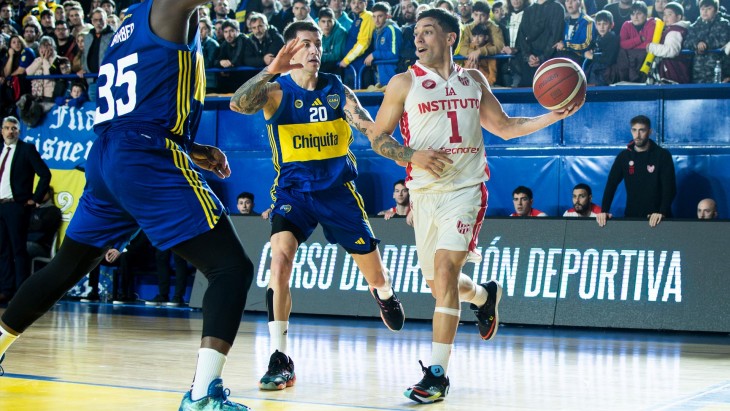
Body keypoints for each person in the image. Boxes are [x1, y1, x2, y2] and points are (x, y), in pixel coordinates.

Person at [0, 2, 256, 410]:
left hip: (109, 154)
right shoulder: (167, 8)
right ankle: (202, 395)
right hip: (143, 154)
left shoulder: (128, 23)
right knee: (231, 268)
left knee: (67, 267)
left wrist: (190, 147)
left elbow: (141, 100)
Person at [371, 9, 580, 403]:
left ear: (451, 37)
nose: (419, 39)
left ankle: (437, 375)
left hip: (466, 190)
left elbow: (505, 127)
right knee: (439, 287)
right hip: (424, 194)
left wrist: (552, 116)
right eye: (416, 33)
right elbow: (379, 140)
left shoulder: (474, 80)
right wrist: (413, 155)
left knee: (446, 273)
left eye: (428, 31)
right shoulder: (403, 83)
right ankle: (485, 296)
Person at [230, 20, 449, 392]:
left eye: (317, 43)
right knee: (279, 262)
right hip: (294, 193)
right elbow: (238, 103)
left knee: (376, 276)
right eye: (305, 44)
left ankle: (383, 294)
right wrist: (271, 70)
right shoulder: (274, 92)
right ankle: (280, 357)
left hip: (338, 194)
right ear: (290, 50)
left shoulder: (337, 90)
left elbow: (373, 133)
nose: (314, 50)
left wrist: (410, 155)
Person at [0, 116, 52, 304]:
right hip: (0, 205)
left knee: (18, 250)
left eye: (14, 128)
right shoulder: (0, 150)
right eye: (7, 128)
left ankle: (20, 293)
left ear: (19, 131)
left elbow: (45, 174)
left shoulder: (26, 149)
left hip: (16, 206)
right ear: (2, 131)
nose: (10, 131)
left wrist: (35, 199)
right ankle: (6, 289)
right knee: (2, 250)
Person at [597, 115, 676, 228]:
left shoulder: (662, 155)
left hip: (659, 219)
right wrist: (604, 211)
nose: (637, 135)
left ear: (650, 132)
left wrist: (662, 212)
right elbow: (611, 184)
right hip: (632, 217)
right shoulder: (624, 156)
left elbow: (670, 188)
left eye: (642, 130)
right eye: (634, 130)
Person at [684, 0, 730, 84]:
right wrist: (697, 44)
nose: (705, 12)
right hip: (698, 72)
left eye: (709, 9)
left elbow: (723, 41)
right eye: (702, 9)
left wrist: (705, 44)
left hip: (719, 69)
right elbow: (687, 42)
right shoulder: (694, 26)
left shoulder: (724, 24)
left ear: (716, 10)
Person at [645, 2, 690, 84]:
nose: (665, 17)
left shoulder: (674, 31)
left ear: (679, 17)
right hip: (672, 70)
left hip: (673, 72)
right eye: (664, 14)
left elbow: (671, 51)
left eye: (669, 14)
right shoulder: (673, 29)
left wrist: (651, 47)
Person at [363, 2, 401, 89]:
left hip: (392, 77)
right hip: (381, 78)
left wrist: (374, 55)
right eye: (374, 16)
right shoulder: (377, 32)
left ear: (387, 16)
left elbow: (394, 54)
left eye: (380, 16)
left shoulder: (392, 29)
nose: (376, 20)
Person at [26, 186, 62, 271]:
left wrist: (27, 224)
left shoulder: (53, 210)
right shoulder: (31, 210)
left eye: (43, 192)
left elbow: (39, 226)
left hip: (41, 246)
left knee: (21, 248)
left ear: (49, 194)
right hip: (28, 241)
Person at [585, 10, 620, 85]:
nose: (602, 27)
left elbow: (609, 59)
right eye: (599, 24)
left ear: (612, 25)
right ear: (596, 26)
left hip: (606, 72)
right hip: (595, 70)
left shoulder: (613, 39)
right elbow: (587, 51)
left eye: (605, 24)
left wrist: (592, 56)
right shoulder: (597, 39)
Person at [318, 7, 347, 76]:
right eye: (323, 21)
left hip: (335, 66)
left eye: (329, 21)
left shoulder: (341, 32)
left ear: (334, 21)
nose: (326, 25)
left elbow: (337, 55)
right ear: (319, 22)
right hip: (320, 64)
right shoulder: (315, 31)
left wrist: (319, 56)